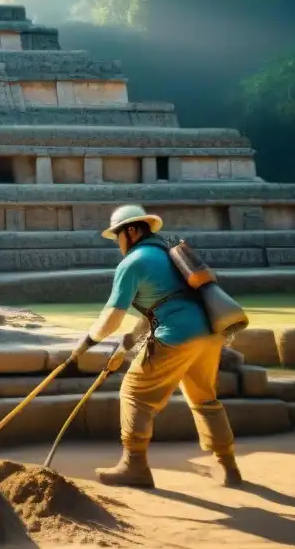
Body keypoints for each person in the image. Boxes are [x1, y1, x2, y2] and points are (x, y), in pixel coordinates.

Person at [70, 204, 242, 489]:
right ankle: (228, 466)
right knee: (204, 398)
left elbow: (112, 317)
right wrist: (128, 343)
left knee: (134, 393)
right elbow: (163, 302)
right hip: (209, 335)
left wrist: (88, 341)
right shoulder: (168, 254)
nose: (118, 244)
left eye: (118, 237)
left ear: (132, 231)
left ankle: (134, 465)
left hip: (175, 335)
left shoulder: (133, 262)